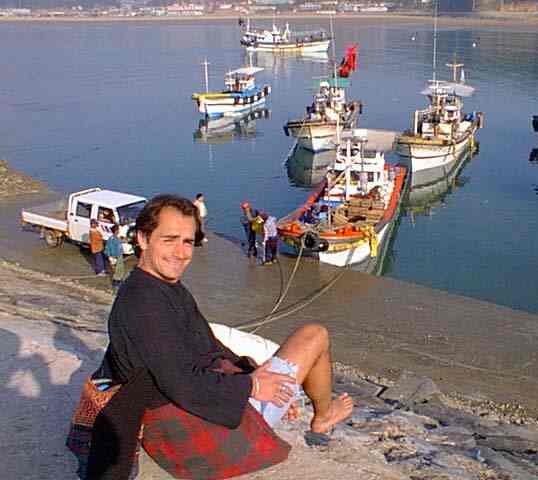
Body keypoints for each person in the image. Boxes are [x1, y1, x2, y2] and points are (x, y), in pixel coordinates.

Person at [90, 195, 352, 477]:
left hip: (196, 408)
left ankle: (293, 399)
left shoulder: (153, 289)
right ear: (143, 239)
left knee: (279, 365)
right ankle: (323, 415)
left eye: (187, 241)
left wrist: (255, 374)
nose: (181, 252)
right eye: (169, 239)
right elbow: (182, 383)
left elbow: (206, 346)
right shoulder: (145, 304)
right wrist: (253, 386)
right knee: (314, 335)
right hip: (199, 429)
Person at [104, 224, 126, 290]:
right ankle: (115, 283)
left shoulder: (117, 238)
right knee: (116, 270)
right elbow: (108, 248)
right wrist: (111, 257)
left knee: (120, 269)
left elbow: (122, 242)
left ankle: (119, 280)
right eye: (118, 230)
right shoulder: (111, 239)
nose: (119, 231)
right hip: (115, 256)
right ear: (116, 231)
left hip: (119, 255)